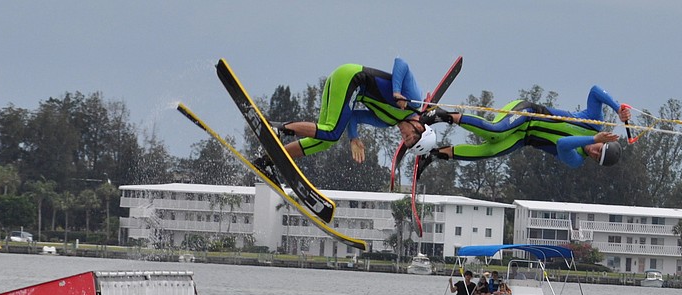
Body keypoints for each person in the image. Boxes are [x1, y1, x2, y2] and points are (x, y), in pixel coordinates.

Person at [256, 58, 436, 173]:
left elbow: (354, 117)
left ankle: (269, 161)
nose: (404, 138)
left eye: (407, 143)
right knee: (332, 132)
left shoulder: (387, 122)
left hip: (346, 86)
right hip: (353, 77)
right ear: (419, 127)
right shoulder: (413, 101)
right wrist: (397, 92)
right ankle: (277, 128)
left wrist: (353, 138)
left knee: (326, 140)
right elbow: (401, 63)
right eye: (410, 138)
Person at [420, 85, 632, 168]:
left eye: (596, 157)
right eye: (599, 150)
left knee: (489, 151)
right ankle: (442, 116)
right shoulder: (593, 121)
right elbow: (595, 91)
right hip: (526, 113)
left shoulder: (577, 160)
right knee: (496, 132)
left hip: (523, 138)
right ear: (606, 139)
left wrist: (594, 140)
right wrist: (617, 108)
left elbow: (563, 144)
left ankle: (435, 154)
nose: (594, 152)